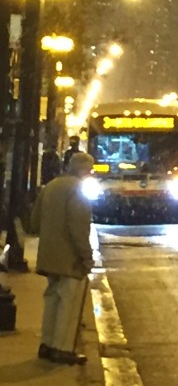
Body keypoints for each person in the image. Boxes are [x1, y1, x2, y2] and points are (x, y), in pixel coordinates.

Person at [31, 152, 94, 365]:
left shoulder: (51, 186)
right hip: (70, 257)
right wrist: (86, 257)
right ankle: (63, 347)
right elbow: (78, 227)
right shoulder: (77, 190)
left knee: (52, 299)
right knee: (69, 303)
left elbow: (34, 221)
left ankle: (46, 343)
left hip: (48, 254)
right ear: (84, 170)